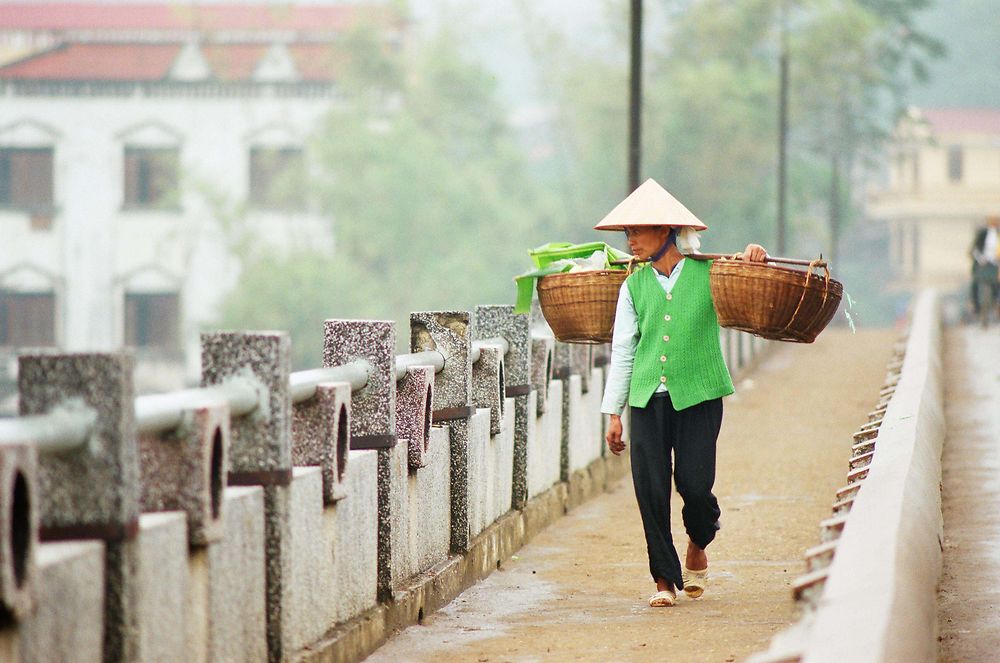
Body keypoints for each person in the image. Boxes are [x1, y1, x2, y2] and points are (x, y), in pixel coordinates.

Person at [595, 178, 767, 608]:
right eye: (628, 233)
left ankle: (699, 540)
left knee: (695, 485)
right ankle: (664, 581)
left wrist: (753, 259)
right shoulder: (632, 287)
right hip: (647, 398)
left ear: (666, 232)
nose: (631, 240)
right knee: (650, 489)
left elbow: (750, 290)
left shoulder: (711, 273)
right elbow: (623, 350)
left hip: (700, 396)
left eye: (638, 231)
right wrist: (613, 412)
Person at [970, 215, 1000, 322]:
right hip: (983, 264)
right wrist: (980, 259)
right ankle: (977, 308)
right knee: (975, 285)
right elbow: (974, 250)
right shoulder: (982, 234)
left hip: (996, 265)